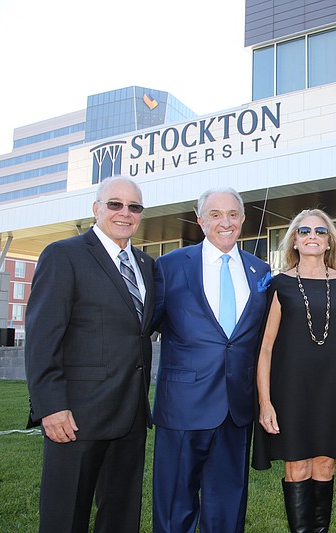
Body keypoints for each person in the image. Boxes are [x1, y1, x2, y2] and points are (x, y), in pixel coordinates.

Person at [24, 176, 155, 533]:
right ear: (96, 208)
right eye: (115, 204)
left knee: (121, 515)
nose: (125, 213)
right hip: (76, 416)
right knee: (65, 516)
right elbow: (42, 337)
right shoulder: (63, 255)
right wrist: (50, 405)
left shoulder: (146, 266)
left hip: (130, 414)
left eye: (134, 207)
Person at [151, 187, 272, 533]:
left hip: (236, 410)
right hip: (182, 408)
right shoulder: (170, 265)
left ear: (243, 220)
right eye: (216, 215)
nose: (225, 222)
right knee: (175, 506)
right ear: (200, 219)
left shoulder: (259, 270)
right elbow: (145, 327)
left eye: (233, 214)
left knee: (228, 508)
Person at [254, 208, 336, 533]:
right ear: (295, 240)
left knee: (326, 463)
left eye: (319, 231)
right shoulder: (280, 285)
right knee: (298, 466)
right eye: (305, 231)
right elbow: (265, 347)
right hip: (290, 392)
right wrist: (265, 402)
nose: (312, 237)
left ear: (330, 241)